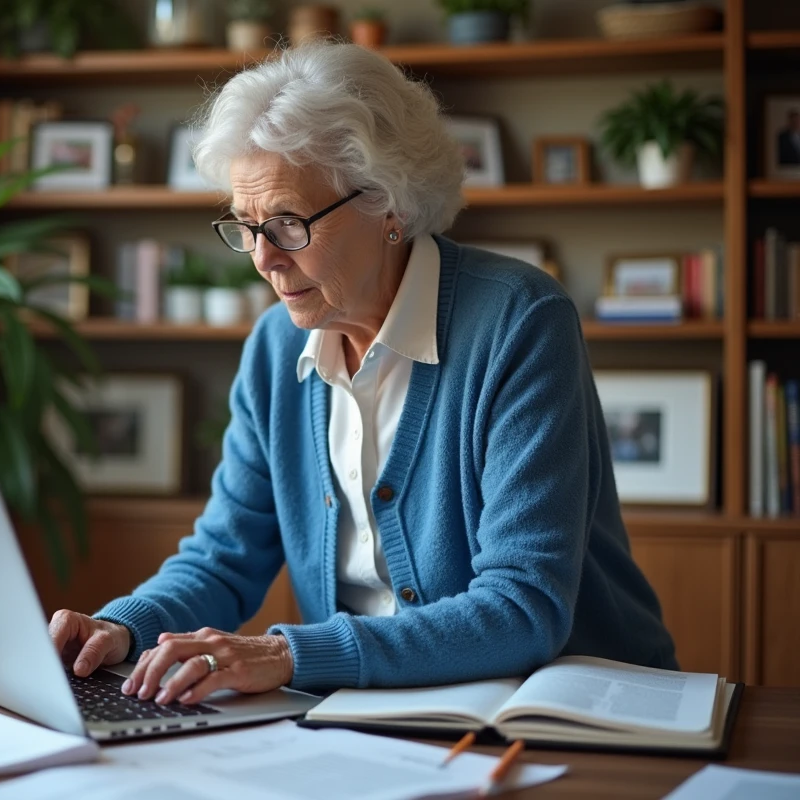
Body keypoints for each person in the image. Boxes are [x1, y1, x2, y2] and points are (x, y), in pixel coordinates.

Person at [49, 42, 677, 708]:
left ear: (388, 205)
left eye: (288, 223)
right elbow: (225, 555)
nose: (264, 259)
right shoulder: (272, 350)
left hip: (567, 713)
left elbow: (523, 606)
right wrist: (124, 625)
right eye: (245, 225)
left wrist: (288, 653)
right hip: (373, 710)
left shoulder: (518, 323)